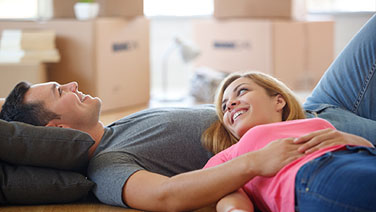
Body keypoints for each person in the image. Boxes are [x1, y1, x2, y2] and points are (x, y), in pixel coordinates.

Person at [0, 13, 375, 212]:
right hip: (317, 143)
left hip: (312, 108)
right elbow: (167, 196)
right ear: (58, 128)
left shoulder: (118, 127)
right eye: (58, 92)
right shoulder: (108, 167)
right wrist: (255, 162)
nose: (71, 84)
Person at [203, 71, 375, 212]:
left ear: (279, 101)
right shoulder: (231, 155)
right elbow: (224, 195)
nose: (230, 104)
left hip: (365, 155)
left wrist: (356, 140)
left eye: (242, 91)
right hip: (317, 173)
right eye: (225, 107)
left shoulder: (312, 121)